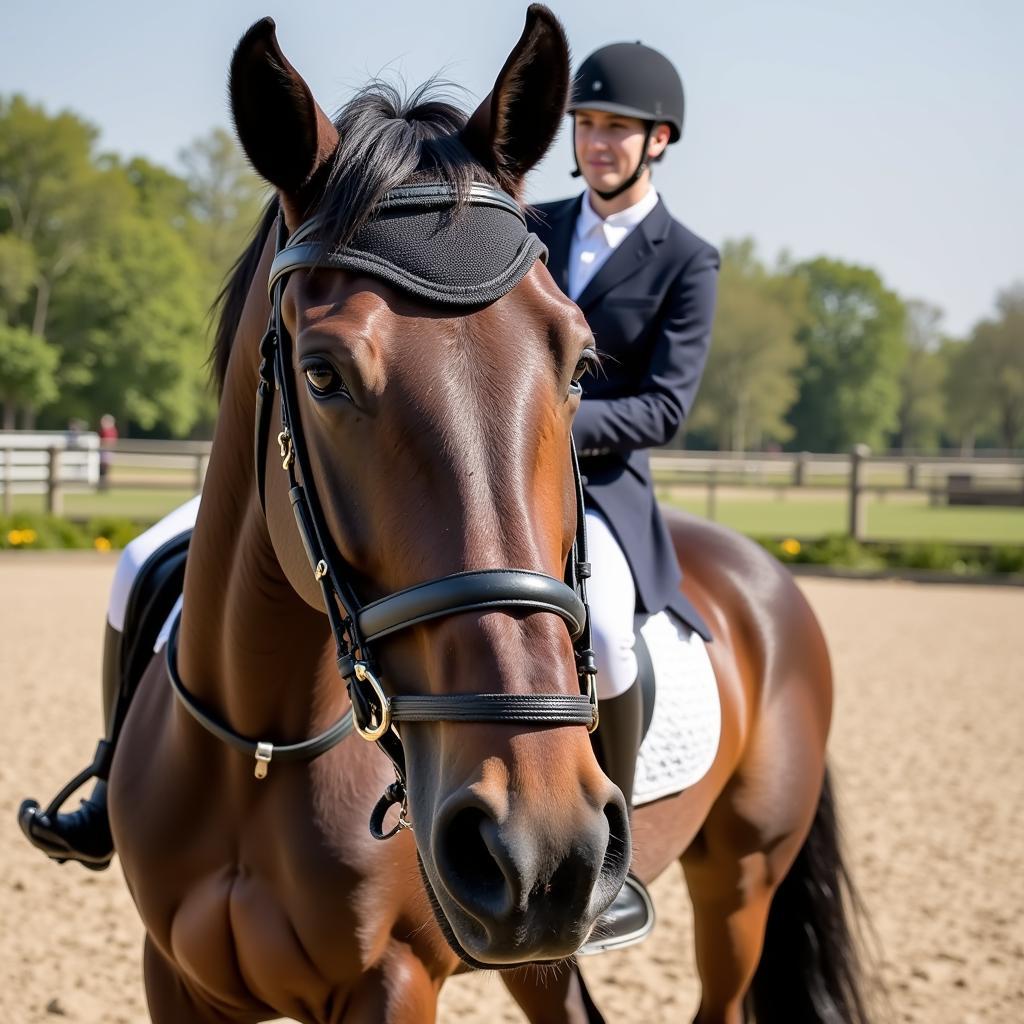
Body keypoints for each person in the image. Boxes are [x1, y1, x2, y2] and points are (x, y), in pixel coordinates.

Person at [526, 41, 718, 949]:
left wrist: (553, 422)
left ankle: (613, 850)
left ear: (659, 140)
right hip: (506, 475)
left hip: (601, 489)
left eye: (619, 130)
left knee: (601, 624)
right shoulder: (532, 226)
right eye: (589, 125)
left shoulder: (688, 259)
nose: (599, 143)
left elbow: (665, 405)